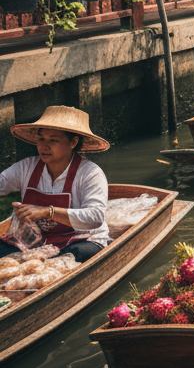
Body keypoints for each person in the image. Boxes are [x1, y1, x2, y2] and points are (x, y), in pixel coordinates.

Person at [1, 106, 111, 262]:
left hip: (82, 240)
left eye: (53, 140)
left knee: (66, 260)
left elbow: (95, 217)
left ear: (73, 142)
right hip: (35, 242)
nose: (44, 146)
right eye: (41, 139)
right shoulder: (26, 167)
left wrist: (48, 212)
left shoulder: (90, 173)